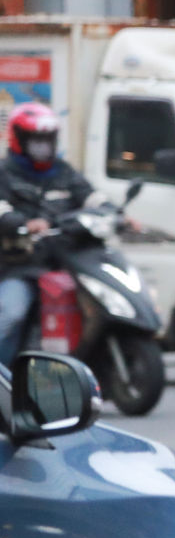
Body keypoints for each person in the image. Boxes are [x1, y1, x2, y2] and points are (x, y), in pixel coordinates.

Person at [0, 102, 107, 368]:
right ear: (20, 139)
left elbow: (92, 198)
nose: (43, 145)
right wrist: (22, 222)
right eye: (37, 139)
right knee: (11, 314)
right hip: (19, 269)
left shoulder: (64, 172)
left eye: (48, 139)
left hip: (67, 266)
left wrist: (117, 214)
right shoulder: (4, 174)